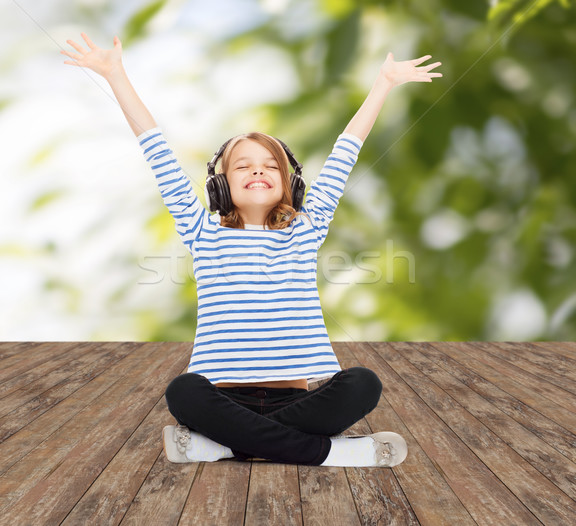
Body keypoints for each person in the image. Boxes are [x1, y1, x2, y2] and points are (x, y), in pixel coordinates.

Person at [61, 32, 442, 467]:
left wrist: (383, 85)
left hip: (299, 403)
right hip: (225, 403)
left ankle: (226, 448)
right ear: (221, 183)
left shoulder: (307, 227)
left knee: (363, 383)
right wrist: (115, 75)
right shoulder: (200, 228)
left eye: (269, 166)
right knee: (182, 392)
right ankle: (329, 454)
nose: (257, 170)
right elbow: (157, 150)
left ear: (290, 184)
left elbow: (345, 153)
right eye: (243, 165)